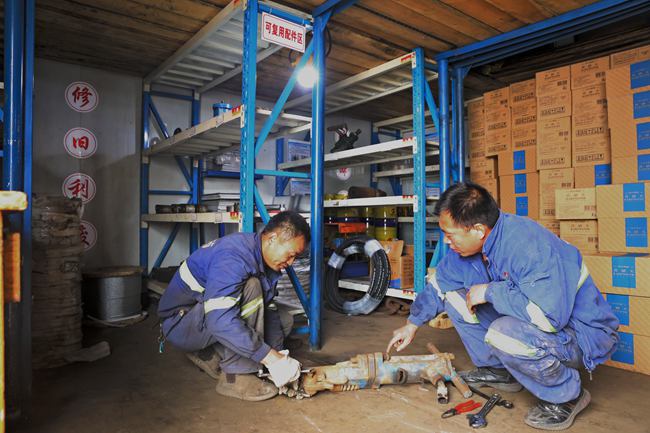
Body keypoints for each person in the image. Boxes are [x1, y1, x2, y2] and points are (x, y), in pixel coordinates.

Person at [387, 182, 619, 431]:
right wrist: (411, 324)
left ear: (478, 230)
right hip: (539, 320)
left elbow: (549, 317)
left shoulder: (527, 246)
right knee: (454, 296)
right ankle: (500, 371)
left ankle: (566, 396)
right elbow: (439, 285)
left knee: (503, 332)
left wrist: (489, 292)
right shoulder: (471, 247)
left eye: (450, 234)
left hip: (580, 334)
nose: (446, 241)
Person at [158, 211, 309, 401]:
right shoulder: (233, 258)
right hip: (180, 324)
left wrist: (277, 355)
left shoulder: (263, 257)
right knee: (252, 287)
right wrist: (270, 358)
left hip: (202, 318)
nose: (291, 263)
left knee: (285, 320)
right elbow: (219, 320)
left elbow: (268, 310)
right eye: (290, 255)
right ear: (272, 239)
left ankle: (209, 353)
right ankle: (235, 376)